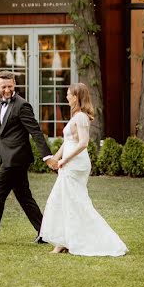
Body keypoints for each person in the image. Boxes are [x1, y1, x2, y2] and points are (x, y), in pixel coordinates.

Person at [40, 82, 127, 257]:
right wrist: (54, 159)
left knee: (75, 201)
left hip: (76, 164)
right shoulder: (75, 116)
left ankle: (94, 240)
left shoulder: (81, 118)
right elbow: (68, 142)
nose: (66, 96)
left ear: (77, 97)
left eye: (69, 94)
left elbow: (83, 143)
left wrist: (65, 160)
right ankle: (63, 241)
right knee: (64, 200)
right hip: (69, 162)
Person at [0, 70, 56, 245]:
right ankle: (45, 232)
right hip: (9, 158)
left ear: (15, 85)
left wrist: (47, 156)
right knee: (24, 197)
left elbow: (35, 132)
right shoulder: (2, 105)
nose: (7, 90)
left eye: (10, 86)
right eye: (4, 87)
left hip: (16, 160)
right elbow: (2, 135)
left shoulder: (22, 105)